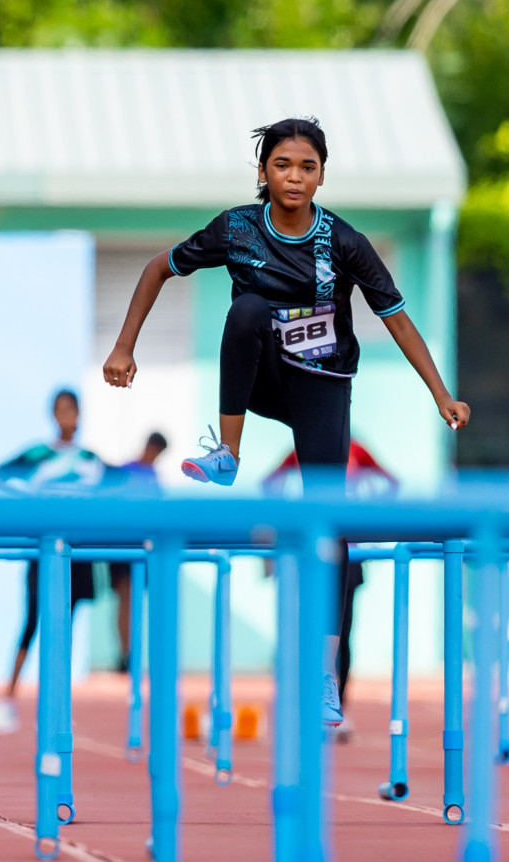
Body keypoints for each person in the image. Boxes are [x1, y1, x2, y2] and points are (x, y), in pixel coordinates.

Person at [102, 116, 469, 728]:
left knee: (332, 517)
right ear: (263, 173)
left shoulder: (344, 242)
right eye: (282, 165)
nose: (294, 177)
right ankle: (228, 452)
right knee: (246, 310)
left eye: (307, 167)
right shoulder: (238, 228)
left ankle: (326, 673)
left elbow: (399, 317)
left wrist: (440, 392)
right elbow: (155, 269)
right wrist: (123, 347)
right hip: (264, 378)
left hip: (322, 385)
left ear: (322, 174)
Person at [0, 388, 109, 735]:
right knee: (32, 623)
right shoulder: (38, 453)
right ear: (53, 414)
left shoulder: (91, 458)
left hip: (77, 554)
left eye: (71, 409)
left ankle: (56, 707)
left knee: (65, 630)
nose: (66, 415)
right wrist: (29, 503)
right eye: (60, 409)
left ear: (79, 414)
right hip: (43, 549)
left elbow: (115, 489)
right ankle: (7, 701)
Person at [263, 438, 398, 742]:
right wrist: (285, 519)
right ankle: (300, 706)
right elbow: (268, 483)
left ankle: (337, 707)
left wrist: (367, 512)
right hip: (310, 551)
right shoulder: (300, 448)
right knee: (305, 629)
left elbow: (392, 482)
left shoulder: (355, 449)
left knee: (342, 633)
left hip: (346, 552)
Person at [108, 431, 168, 672]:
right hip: (123, 544)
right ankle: (125, 654)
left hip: (143, 546)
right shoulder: (125, 471)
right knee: (125, 598)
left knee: (134, 600)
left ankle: (134, 654)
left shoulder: (154, 478)